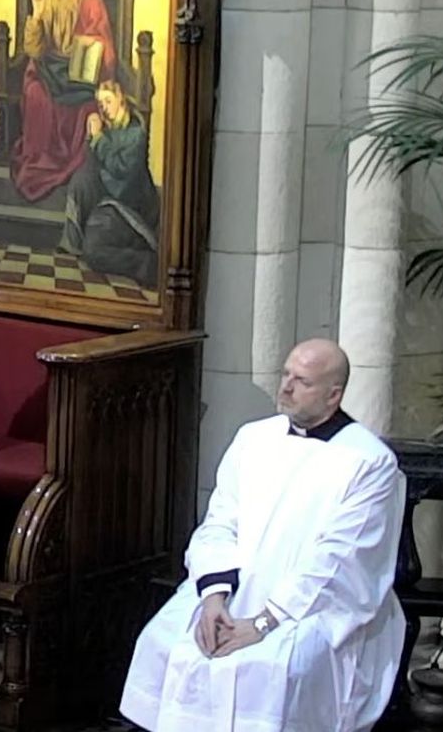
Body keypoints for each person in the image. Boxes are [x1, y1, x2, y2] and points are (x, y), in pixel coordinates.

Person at [120, 339, 405, 732]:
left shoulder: (369, 461)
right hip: (232, 589)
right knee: (164, 641)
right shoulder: (253, 437)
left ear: (333, 395)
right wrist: (213, 596)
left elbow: (339, 560)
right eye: (285, 374)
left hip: (311, 607)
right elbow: (220, 521)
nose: (286, 386)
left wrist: (264, 622)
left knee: (272, 668)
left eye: (302, 381)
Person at [14, 0, 117, 202]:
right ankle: (41, 160)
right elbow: (33, 49)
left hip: (81, 70)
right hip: (51, 67)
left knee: (87, 104)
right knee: (35, 94)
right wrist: (37, 13)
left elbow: (103, 36)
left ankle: (76, 166)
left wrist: (89, 45)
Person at [57, 79, 160, 288]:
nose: (103, 108)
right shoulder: (107, 129)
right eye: (100, 103)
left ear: (121, 99)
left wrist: (98, 138)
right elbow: (90, 167)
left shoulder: (136, 134)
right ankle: (73, 243)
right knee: (81, 178)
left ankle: (146, 264)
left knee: (95, 252)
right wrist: (91, 137)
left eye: (108, 101)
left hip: (128, 209)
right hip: (107, 203)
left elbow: (120, 170)